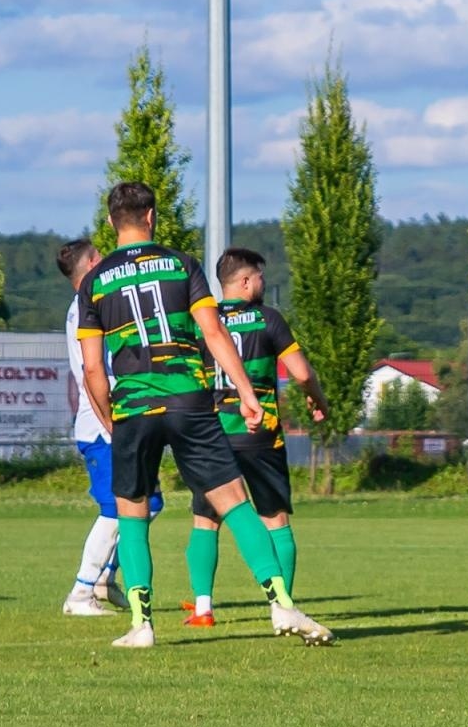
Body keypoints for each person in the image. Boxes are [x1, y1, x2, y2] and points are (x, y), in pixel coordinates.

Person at [76, 182, 334, 648]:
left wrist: (111, 421)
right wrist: (245, 392)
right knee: (234, 501)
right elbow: (213, 332)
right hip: (190, 402)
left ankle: (141, 624)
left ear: (113, 221)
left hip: (134, 406)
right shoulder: (182, 265)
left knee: (132, 513)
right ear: (151, 216)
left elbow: (93, 367)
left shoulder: (94, 281)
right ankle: (282, 605)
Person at [178, 248, 330, 628]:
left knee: (205, 520)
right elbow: (300, 372)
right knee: (275, 520)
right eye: (260, 277)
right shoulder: (269, 319)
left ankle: (203, 609)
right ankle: (283, 608)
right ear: (245, 282)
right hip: (260, 434)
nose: (263, 283)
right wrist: (317, 397)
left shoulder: (202, 322)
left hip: (215, 435)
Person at [57, 238, 163, 617]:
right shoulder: (87, 307)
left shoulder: (92, 303)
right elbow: (93, 371)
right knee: (118, 509)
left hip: (120, 418)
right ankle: (80, 594)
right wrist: (112, 421)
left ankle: (104, 578)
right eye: (98, 257)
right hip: (103, 424)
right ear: (88, 265)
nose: (104, 260)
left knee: (149, 503)